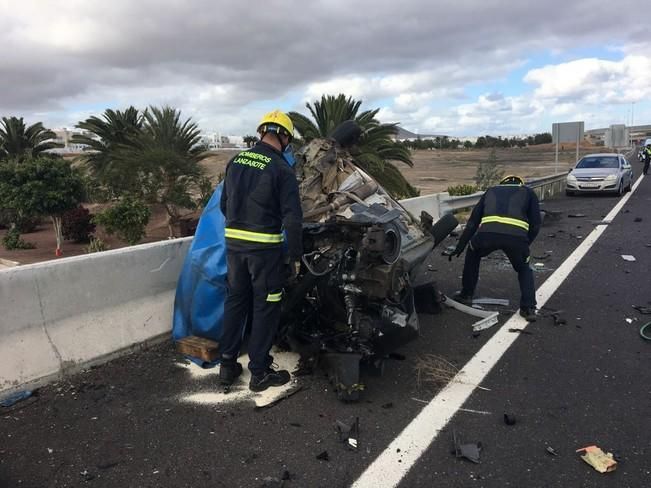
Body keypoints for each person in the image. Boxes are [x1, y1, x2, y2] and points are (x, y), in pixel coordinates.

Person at [218, 110, 303, 391]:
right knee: (266, 307)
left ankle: (227, 365)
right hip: (263, 251)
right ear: (284, 136)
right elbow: (292, 219)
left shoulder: (235, 161)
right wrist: (295, 256)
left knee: (236, 301)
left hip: (233, 247)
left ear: (261, 132)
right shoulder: (281, 169)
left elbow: (223, 205)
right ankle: (260, 372)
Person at [447, 175, 541, 322]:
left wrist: (460, 246)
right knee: (523, 268)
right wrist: (525, 244)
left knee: (473, 252)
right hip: (516, 239)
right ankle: (528, 308)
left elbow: (472, 222)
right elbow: (536, 224)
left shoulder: (490, 191)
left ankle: (466, 294)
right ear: (519, 184)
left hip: (486, 236)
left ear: (502, 184)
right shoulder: (528, 192)